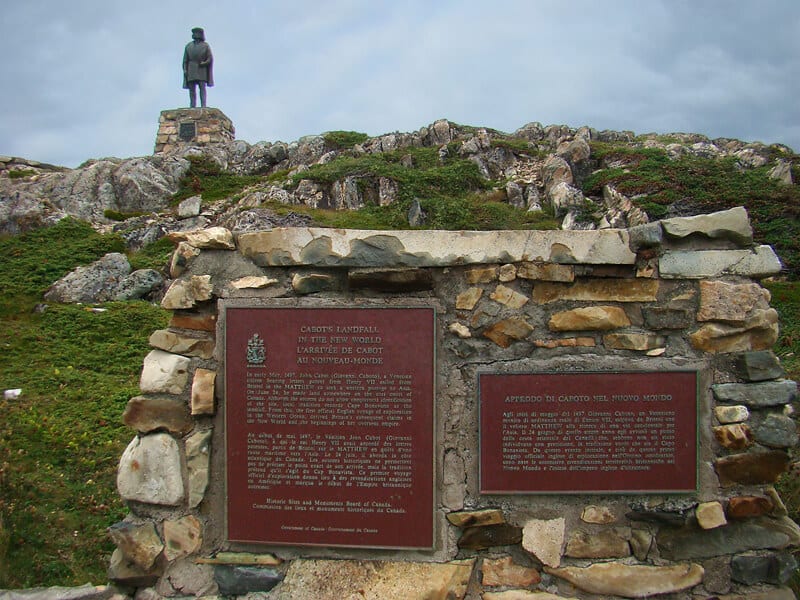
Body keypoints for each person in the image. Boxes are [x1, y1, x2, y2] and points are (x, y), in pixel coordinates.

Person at [183, 27, 213, 108]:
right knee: (192, 90)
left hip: (201, 69)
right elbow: (185, 60)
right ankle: (192, 105)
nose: (194, 35)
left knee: (202, 88)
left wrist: (204, 63)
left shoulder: (205, 46)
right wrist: (185, 70)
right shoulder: (188, 46)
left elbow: (210, 58)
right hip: (191, 69)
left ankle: (203, 105)